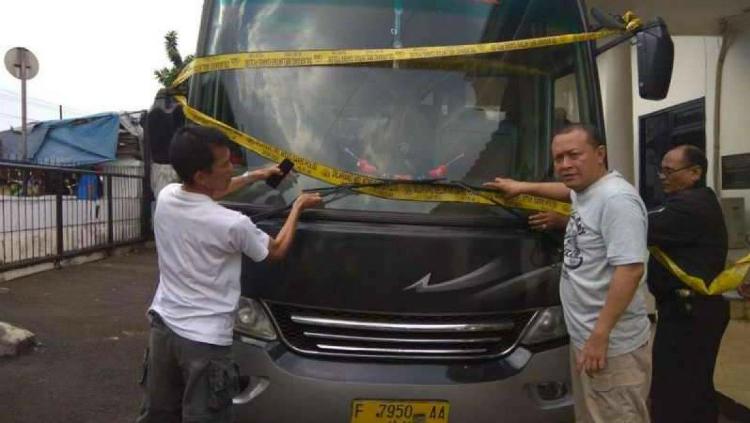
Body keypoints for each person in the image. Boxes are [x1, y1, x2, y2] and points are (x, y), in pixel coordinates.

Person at [137, 125, 321, 423]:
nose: (231, 167)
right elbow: (275, 250)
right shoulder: (232, 224)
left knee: (158, 414)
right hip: (205, 343)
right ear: (201, 175)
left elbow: (213, 190)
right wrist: (297, 207)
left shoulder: (168, 196)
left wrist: (256, 176)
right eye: (224, 164)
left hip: (163, 330)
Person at [484, 124, 652, 423]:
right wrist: (522, 187)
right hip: (588, 339)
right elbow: (566, 191)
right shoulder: (587, 191)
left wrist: (600, 337)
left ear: (600, 154)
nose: (565, 165)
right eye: (558, 158)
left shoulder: (616, 200)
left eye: (574, 155)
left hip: (611, 346)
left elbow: (630, 271)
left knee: (616, 415)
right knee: (592, 414)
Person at [647, 145, 729, 423]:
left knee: (675, 393)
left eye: (669, 171)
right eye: (662, 170)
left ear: (695, 172)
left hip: (689, 313)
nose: (662, 176)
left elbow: (636, 225)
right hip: (693, 309)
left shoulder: (689, 207)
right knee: (694, 387)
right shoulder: (697, 201)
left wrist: (567, 219)